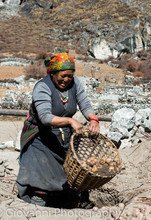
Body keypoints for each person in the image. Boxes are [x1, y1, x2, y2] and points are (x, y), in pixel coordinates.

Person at [16, 52, 100, 208]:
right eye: (63, 76)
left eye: (70, 76)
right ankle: (37, 194)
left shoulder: (75, 84)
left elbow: (85, 104)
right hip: (40, 135)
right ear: (53, 73)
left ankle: (76, 197)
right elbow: (45, 117)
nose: (67, 79)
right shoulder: (42, 87)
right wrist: (70, 120)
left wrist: (93, 119)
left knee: (72, 165)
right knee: (42, 163)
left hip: (63, 134)